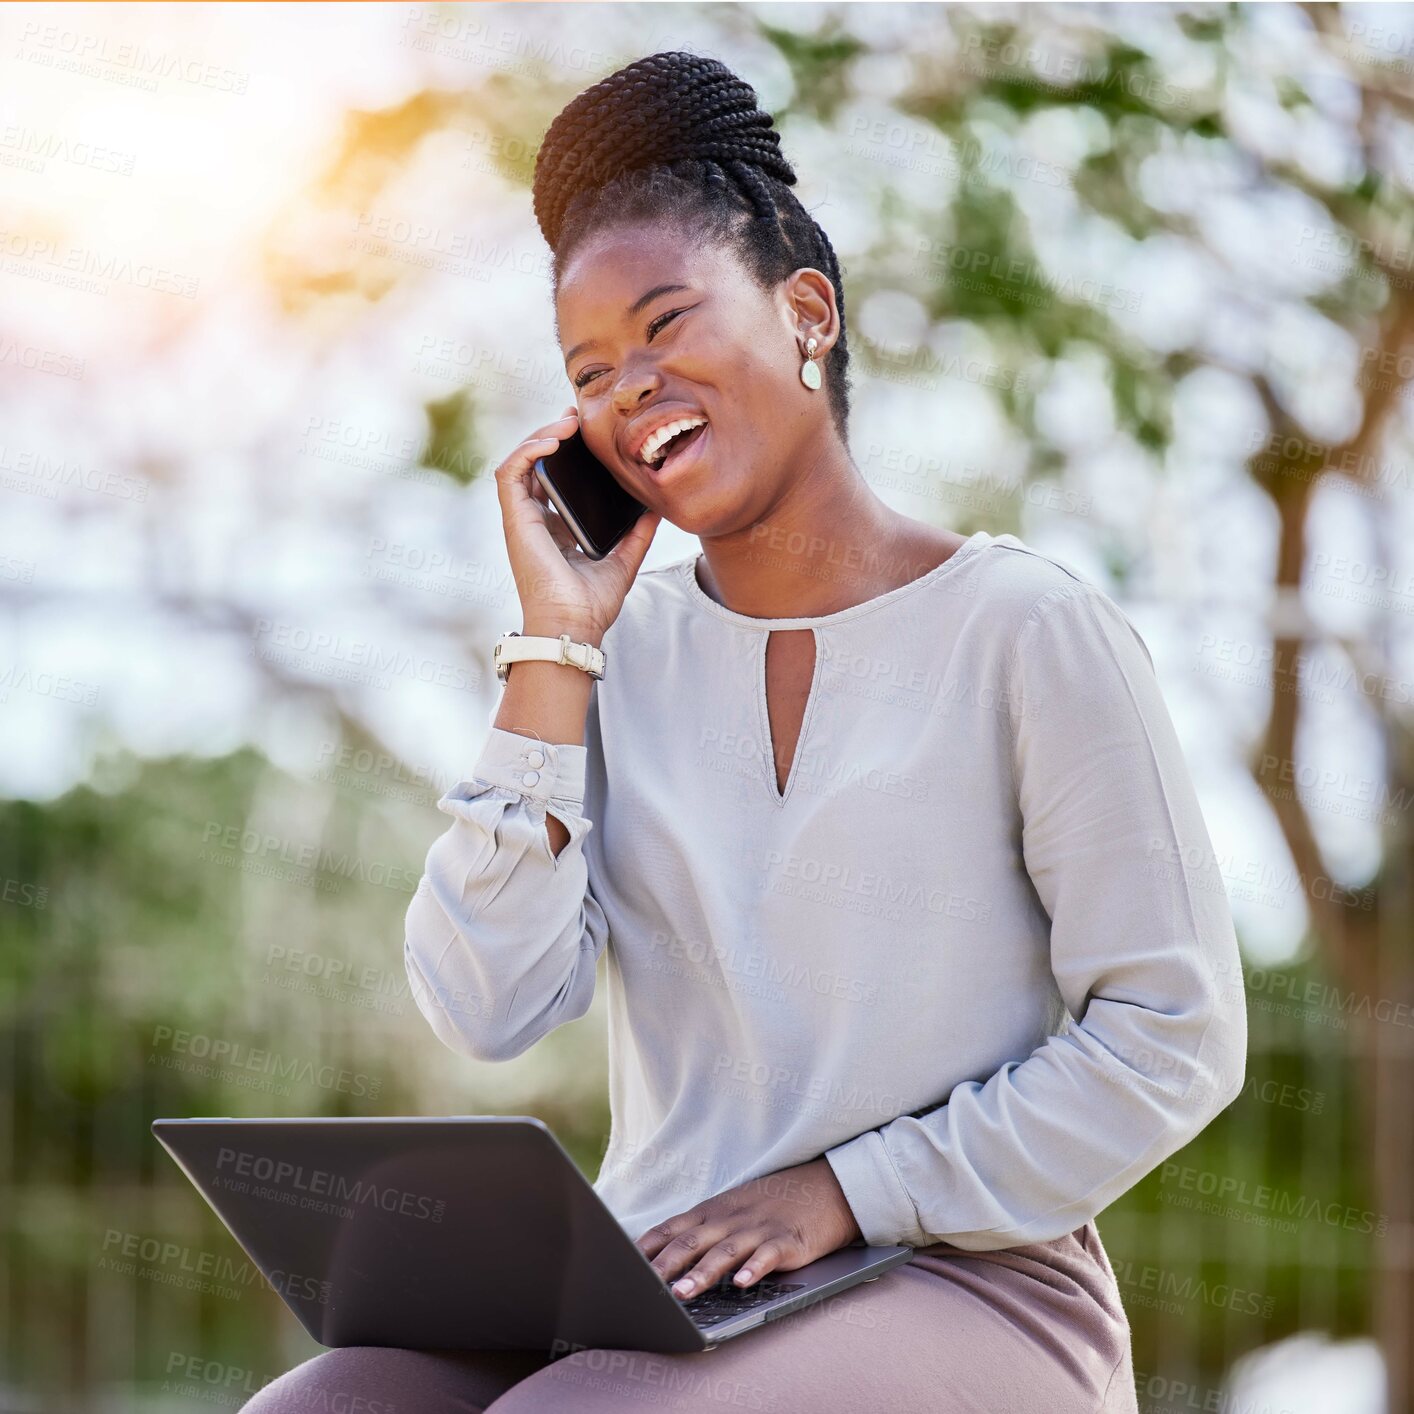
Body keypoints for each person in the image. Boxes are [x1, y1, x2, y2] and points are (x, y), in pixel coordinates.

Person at [244, 50, 1246, 1414]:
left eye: (666, 324)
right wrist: (555, 644)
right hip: (668, 1279)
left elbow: (1172, 1034)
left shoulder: (1026, 630)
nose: (631, 386)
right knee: (318, 1407)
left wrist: (847, 1187)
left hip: (965, 1279)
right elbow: (486, 1006)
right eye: (591, 370)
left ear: (805, 313)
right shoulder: (612, 663)